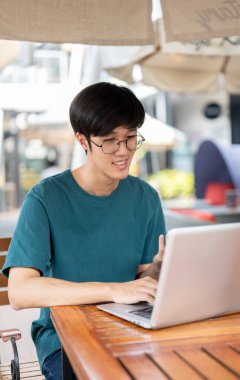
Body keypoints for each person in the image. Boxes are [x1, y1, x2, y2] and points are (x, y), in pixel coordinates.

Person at [3, 82, 166, 380]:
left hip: (130, 329)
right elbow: (20, 291)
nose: (123, 151)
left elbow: (141, 281)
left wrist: (155, 269)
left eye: (130, 138)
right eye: (109, 140)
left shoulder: (146, 197)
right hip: (65, 338)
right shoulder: (45, 199)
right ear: (82, 140)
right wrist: (113, 290)